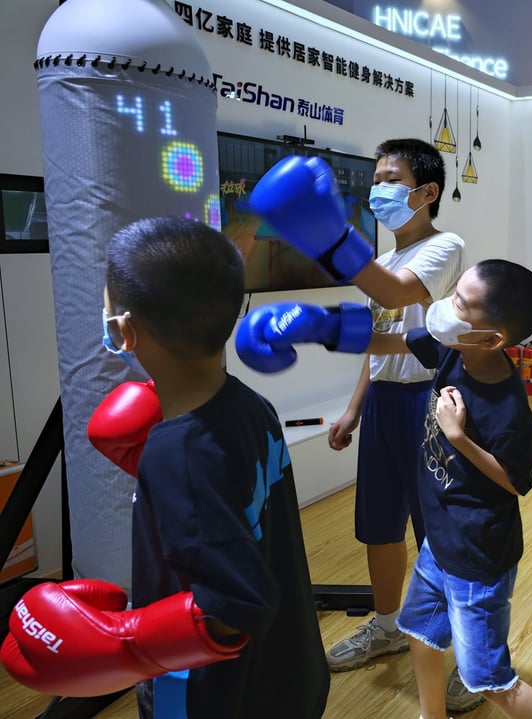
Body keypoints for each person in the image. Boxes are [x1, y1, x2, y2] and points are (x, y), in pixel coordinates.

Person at [1, 217, 330, 717]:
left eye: (106, 306)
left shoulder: (176, 454)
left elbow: (236, 604)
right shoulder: (250, 405)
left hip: (208, 695)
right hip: (286, 669)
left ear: (125, 330)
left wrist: (126, 643)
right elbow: (234, 509)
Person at [234, 259, 532, 718]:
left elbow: (514, 479)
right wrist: (317, 326)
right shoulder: (453, 347)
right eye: (455, 293)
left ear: (491, 339)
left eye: (461, 303)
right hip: (441, 544)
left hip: (477, 556)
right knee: (420, 633)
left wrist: (458, 438)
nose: (446, 306)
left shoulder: (506, 408)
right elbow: (388, 341)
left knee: (487, 678)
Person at [244, 139, 477, 711]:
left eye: (390, 178)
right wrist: (354, 407)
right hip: (383, 407)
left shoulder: (444, 247)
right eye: (375, 178)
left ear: (427, 192)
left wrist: (326, 233)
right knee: (378, 526)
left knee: (438, 534)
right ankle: (389, 625)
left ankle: (472, 658)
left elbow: (395, 297)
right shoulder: (383, 258)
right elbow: (378, 346)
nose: (378, 188)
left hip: (430, 402)